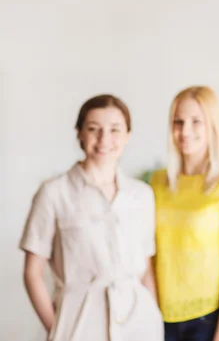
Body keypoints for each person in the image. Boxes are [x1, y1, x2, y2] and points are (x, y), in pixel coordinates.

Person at [20, 94, 163, 341]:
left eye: (115, 130)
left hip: (138, 322)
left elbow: (145, 268)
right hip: (78, 322)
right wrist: (56, 328)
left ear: (128, 135)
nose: (104, 139)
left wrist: (155, 318)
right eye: (93, 129)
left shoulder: (141, 195)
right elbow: (32, 272)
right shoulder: (54, 193)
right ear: (79, 133)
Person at [149, 86, 219, 341]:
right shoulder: (157, 183)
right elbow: (148, 256)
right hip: (161, 319)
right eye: (178, 121)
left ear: (213, 126)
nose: (185, 131)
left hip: (211, 321)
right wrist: (151, 318)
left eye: (196, 121)